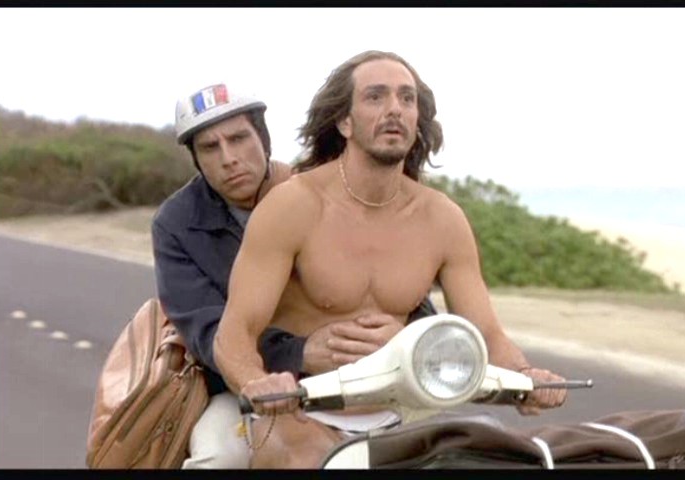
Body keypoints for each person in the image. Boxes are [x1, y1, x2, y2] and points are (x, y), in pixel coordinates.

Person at [213, 51, 569, 469]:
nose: (395, 109)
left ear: (417, 120)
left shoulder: (442, 218)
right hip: (303, 413)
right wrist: (257, 382)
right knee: (306, 459)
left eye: (406, 98)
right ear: (344, 122)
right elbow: (234, 333)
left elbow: (487, 334)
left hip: (402, 412)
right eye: (375, 97)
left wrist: (526, 376)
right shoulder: (293, 205)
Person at [152, 83, 438, 468]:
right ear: (196, 159)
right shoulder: (176, 224)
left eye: (239, 139)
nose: (229, 159)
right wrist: (297, 354)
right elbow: (205, 329)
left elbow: (405, 289)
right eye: (209, 147)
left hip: (360, 383)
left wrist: (402, 336)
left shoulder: (325, 193)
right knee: (219, 458)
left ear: (263, 138)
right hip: (247, 387)